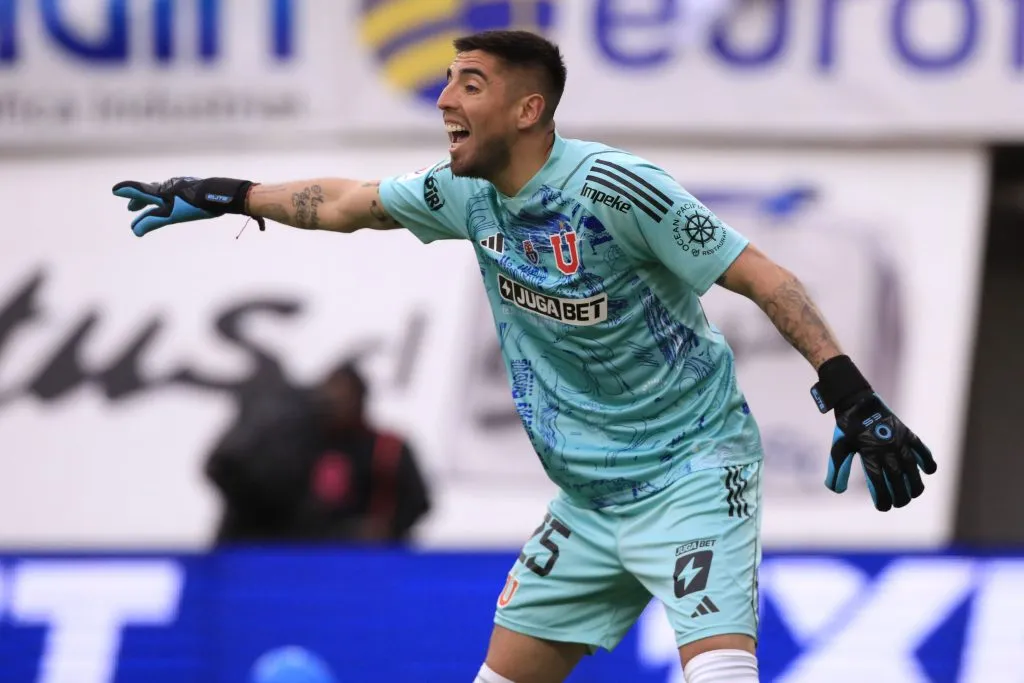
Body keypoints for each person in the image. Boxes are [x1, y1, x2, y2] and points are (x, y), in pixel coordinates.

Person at [112, 29, 935, 683]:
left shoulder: (621, 190)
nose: (444, 100)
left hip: (692, 470)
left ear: (528, 109)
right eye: (446, 81)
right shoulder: (463, 193)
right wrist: (227, 193)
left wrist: (850, 390)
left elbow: (767, 276)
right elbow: (349, 203)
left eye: (470, 85)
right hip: (587, 496)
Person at [205, 361, 431, 545]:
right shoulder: (298, 447)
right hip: (303, 554)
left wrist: (387, 528)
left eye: (343, 396)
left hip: (369, 560)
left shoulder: (387, 449)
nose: (333, 404)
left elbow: (418, 501)